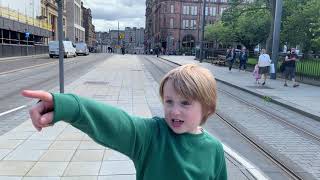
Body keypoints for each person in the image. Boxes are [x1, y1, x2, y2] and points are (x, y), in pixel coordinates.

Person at [21, 64, 227, 180]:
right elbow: (116, 122)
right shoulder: (151, 135)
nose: (174, 110)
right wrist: (67, 106)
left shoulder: (214, 149)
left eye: (185, 103)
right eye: (169, 101)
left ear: (207, 107)